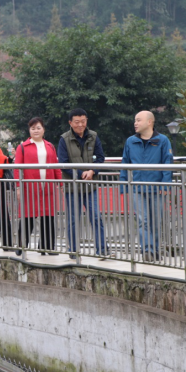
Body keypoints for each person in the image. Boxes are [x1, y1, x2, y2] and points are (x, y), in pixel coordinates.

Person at [119, 110, 173, 262]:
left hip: (156, 188)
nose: (135, 123)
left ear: (149, 122)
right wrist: (123, 185)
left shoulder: (162, 140)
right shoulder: (130, 141)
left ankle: (154, 250)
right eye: (135, 120)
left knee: (156, 221)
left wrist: (165, 186)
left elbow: (168, 163)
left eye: (138, 120)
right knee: (143, 221)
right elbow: (125, 163)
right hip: (137, 188)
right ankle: (147, 251)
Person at [57, 108, 110, 259]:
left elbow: (100, 158)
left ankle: (102, 249)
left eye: (83, 121)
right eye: (77, 122)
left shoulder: (93, 136)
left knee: (96, 217)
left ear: (86, 121)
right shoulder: (64, 139)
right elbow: (63, 164)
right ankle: (73, 250)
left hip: (90, 186)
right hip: (72, 187)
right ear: (70, 123)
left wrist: (92, 171)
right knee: (73, 220)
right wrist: (81, 174)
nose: (80, 125)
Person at [14, 117, 62, 256]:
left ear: (43, 129)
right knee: (27, 217)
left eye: (38, 128)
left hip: (47, 186)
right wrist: (18, 187)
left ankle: (47, 247)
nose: (36, 131)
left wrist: (60, 183)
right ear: (29, 130)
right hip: (30, 188)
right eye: (33, 128)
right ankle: (21, 245)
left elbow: (55, 166)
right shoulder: (23, 147)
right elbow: (17, 168)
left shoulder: (50, 146)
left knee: (48, 217)